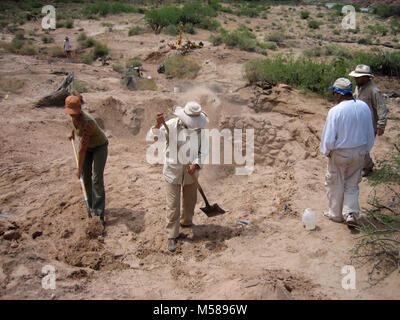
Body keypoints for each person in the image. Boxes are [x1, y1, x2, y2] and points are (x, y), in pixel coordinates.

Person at [148, 102, 209, 252]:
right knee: (173, 205)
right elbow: (154, 137)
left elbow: (204, 151)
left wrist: (196, 164)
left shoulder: (201, 131)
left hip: (191, 174)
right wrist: (157, 124)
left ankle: (186, 223)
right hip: (172, 171)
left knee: (190, 202)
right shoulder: (171, 125)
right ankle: (172, 235)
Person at [320, 78, 375, 226]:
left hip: (340, 152)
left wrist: (327, 151)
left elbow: (329, 137)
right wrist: (365, 150)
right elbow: (370, 132)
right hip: (359, 151)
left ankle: (336, 215)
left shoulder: (336, 111)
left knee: (335, 182)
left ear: (338, 94)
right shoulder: (363, 107)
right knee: (352, 183)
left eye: (334, 93)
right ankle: (350, 213)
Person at [66, 95, 109, 225]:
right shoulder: (74, 117)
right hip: (88, 148)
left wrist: (79, 168)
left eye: (74, 113)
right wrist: (72, 132)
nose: (72, 116)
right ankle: (91, 205)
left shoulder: (88, 122)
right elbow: (75, 125)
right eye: (70, 113)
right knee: (85, 177)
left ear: (80, 108)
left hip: (99, 147)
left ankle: (99, 214)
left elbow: (82, 149)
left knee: (97, 179)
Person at [349, 64, 387, 176]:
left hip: (370, 125)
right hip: (358, 123)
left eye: (358, 77)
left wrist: (381, 125)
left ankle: (367, 167)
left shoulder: (374, 90)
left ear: (366, 77)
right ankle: (361, 165)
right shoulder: (358, 87)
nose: (355, 79)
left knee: (363, 148)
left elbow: (381, 108)